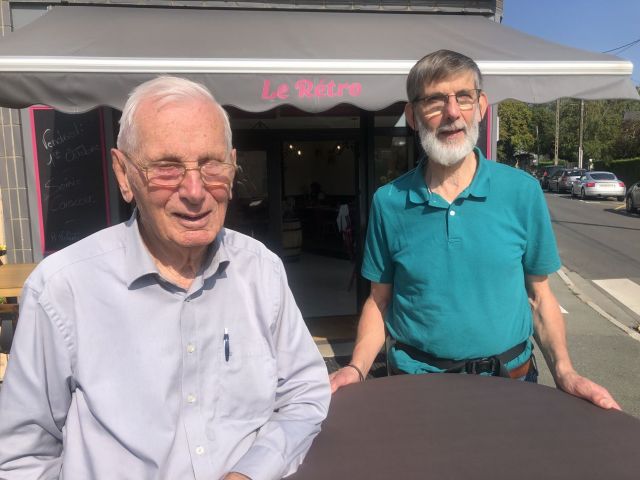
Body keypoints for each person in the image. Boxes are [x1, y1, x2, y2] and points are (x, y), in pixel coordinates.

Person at [0, 76, 330, 479]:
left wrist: (251, 472)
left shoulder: (261, 270)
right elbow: (20, 457)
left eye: (211, 165)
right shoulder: (62, 290)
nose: (195, 190)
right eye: (167, 168)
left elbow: (304, 394)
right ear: (124, 175)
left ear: (232, 165)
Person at [329, 50, 619, 411]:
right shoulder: (389, 202)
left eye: (463, 97)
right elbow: (379, 300)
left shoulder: (522, 192)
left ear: (480, 106)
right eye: (435, 101)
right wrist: (357, 368)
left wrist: (565, 372)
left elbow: (540, 296)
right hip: (415, 387)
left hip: (511, 384)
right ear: (413, 117)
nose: (452, 113)